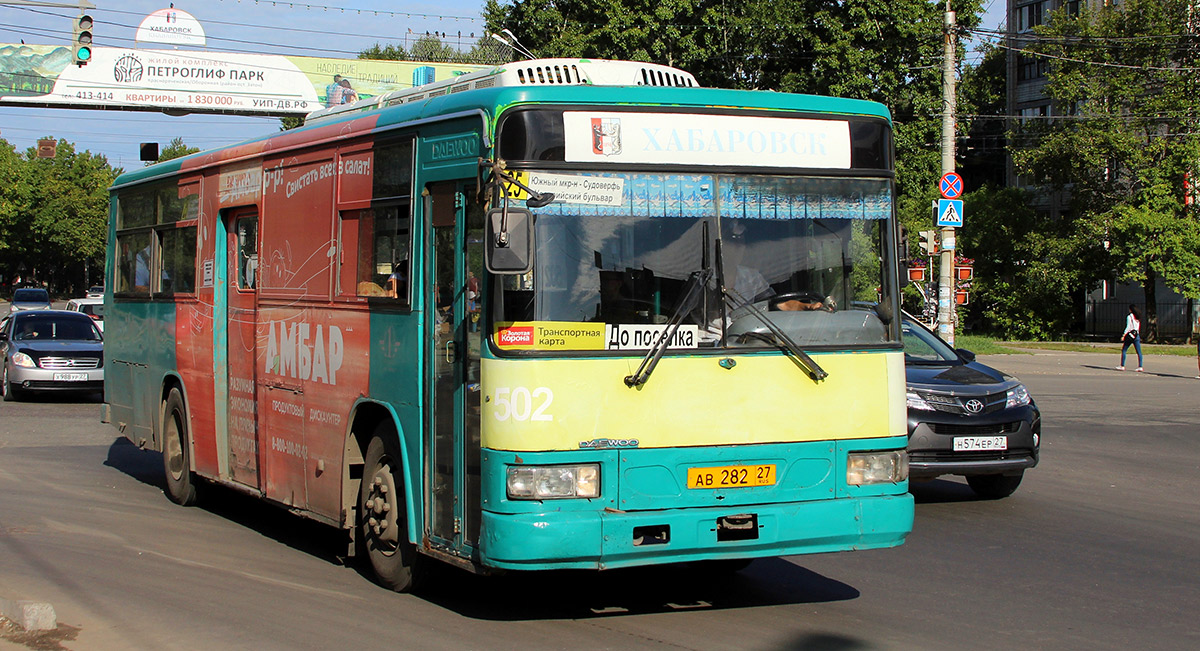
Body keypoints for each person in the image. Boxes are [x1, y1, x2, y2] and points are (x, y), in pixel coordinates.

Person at [1117, 304, 1143, 372]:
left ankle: (1122, 365)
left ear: (1131, 310)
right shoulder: (1137, 317)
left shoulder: (1129, 317)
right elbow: (1138, 327)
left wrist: (1124, 335)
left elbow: (1128, 327)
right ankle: (1140, 366)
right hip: (1136, 335)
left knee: (1124, 350)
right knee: (1139, 351)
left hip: (1130, 335)